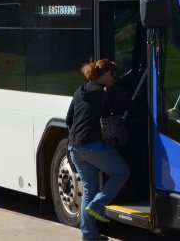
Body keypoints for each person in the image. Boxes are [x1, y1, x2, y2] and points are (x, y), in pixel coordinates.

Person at [65, 59, 130, 241]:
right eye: (113, 75)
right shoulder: (105, 93)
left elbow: (69, 119)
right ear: (106, 73)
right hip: (92, 146)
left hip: (74, 147)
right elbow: (124, 107)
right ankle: (97, 206)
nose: (114, 79)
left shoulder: (80, 90)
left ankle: (88, 235)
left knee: (89, 189)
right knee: (122, 172)